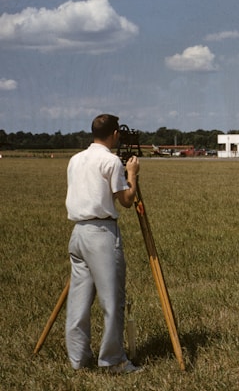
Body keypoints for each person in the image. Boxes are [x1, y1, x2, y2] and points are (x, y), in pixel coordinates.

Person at [65, 114, 141, 374]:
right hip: (102, 233)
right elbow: (127, 200)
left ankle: (78, 358)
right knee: (112, 301)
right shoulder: (110, 161)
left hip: (78, 234)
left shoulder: (75, 160)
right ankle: (113, 361)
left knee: (78, 301)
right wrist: (132, 173)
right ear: (115, 134)